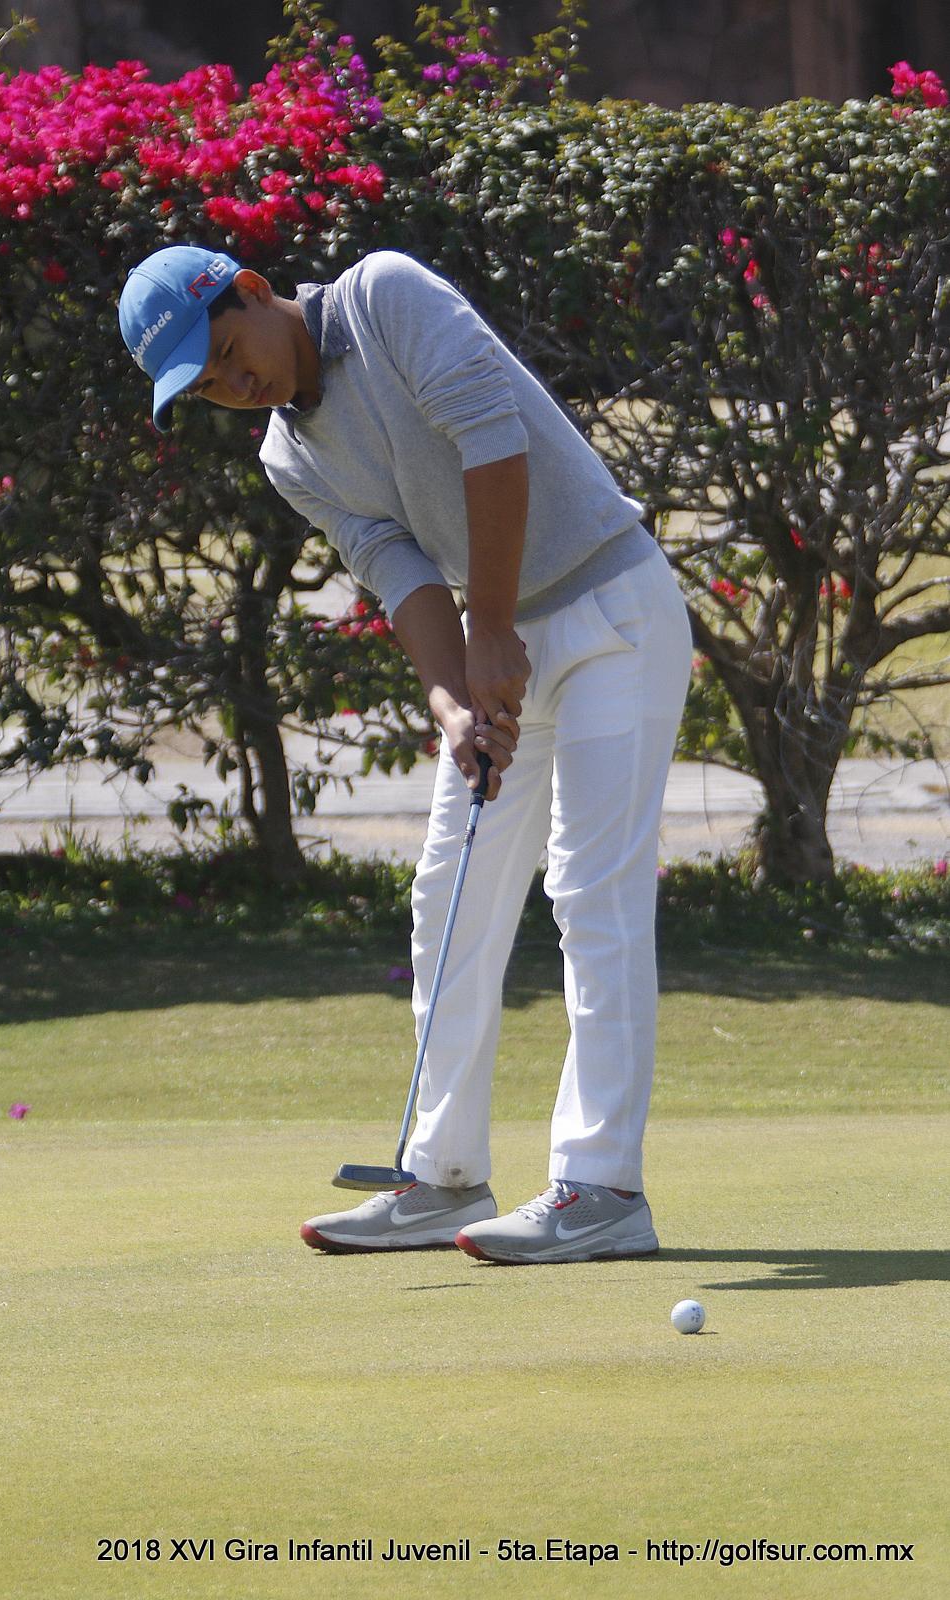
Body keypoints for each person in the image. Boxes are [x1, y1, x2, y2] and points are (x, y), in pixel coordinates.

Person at [118, 243, 692, 1265]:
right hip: (501, 632)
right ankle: (441, 1177)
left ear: (251, 291)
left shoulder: (384, 296)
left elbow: (492, 439)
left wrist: (491, 631)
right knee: (449, 896)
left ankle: (602, 1185)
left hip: (613, 609)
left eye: (229, 355)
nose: (234, 387)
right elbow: (400, 572)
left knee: (590, 893)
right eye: (207, 388)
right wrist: (452, 704)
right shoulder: (289, 459)